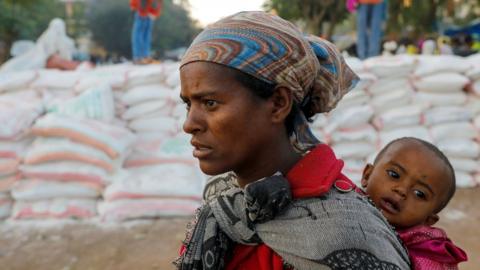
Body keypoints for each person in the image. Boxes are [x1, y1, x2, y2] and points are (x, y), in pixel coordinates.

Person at [175, 11, 410, 269]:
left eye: (210, 103)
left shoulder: (345, 230)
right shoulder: (226, 199)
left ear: (278, 103)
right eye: (188, 105)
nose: (189, 125)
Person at [361, 137, 468, 269]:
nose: (402, 190)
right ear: (367, 175)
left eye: (419, 194)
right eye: (394, 174)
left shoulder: (429, 255)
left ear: (428, 219)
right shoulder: (340, 206)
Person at [130, 0, 163, 64]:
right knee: (141, 35)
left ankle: (143, 57)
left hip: (147, 11)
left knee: (144, 36)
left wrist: (155, 13)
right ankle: (140, 57)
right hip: (144, 11)